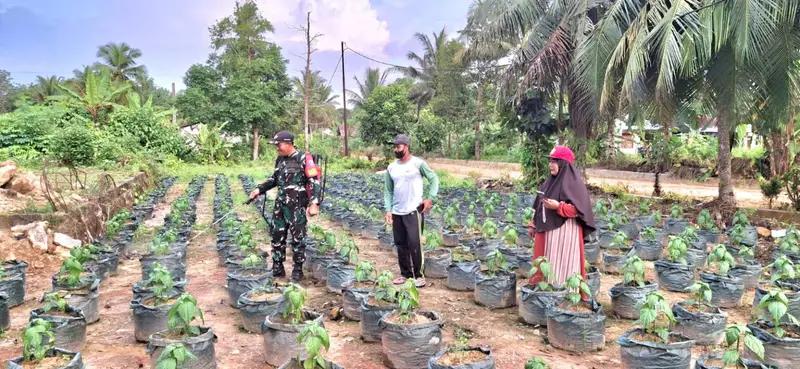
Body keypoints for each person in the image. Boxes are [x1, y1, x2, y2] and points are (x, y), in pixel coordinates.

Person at [248, 131, 321, 282]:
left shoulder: (304, 158)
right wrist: (259, 189)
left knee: (298, 239)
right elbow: (274, 179)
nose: (277, 148)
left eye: (279, 145)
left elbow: (314, 181)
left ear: (288, 144)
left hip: (297, 206)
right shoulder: (280, 160)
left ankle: (297, 269)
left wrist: (314, 203)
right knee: (277, 235)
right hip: (280, 204)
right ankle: (277, 267)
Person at [528, 145, 595, 287]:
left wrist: (559, 206)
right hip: (548, 231)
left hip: (565, 233)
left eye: (554, 161)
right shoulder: (549, 182)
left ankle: (563, 293)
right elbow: (538, 204)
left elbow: (580, 210)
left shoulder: (575, 185)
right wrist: (533, 224)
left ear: (563, 164)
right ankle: (545, 292)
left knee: (562, 263)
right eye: (550, 161)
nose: (550, 165)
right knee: (545, 262)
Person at [383, 134, 439, 287]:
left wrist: (430, 198)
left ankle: (419, 275)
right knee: (400, 244)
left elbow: (434, 179)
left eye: (398, 146)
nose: (396, 149)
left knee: (415, 243)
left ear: (406, 147)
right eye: (394, 146)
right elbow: (388, 191)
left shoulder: (418, 164)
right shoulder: (391, 167)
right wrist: (388, 210)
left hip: (414, 210)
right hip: (397, 211)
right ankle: (405, 274)